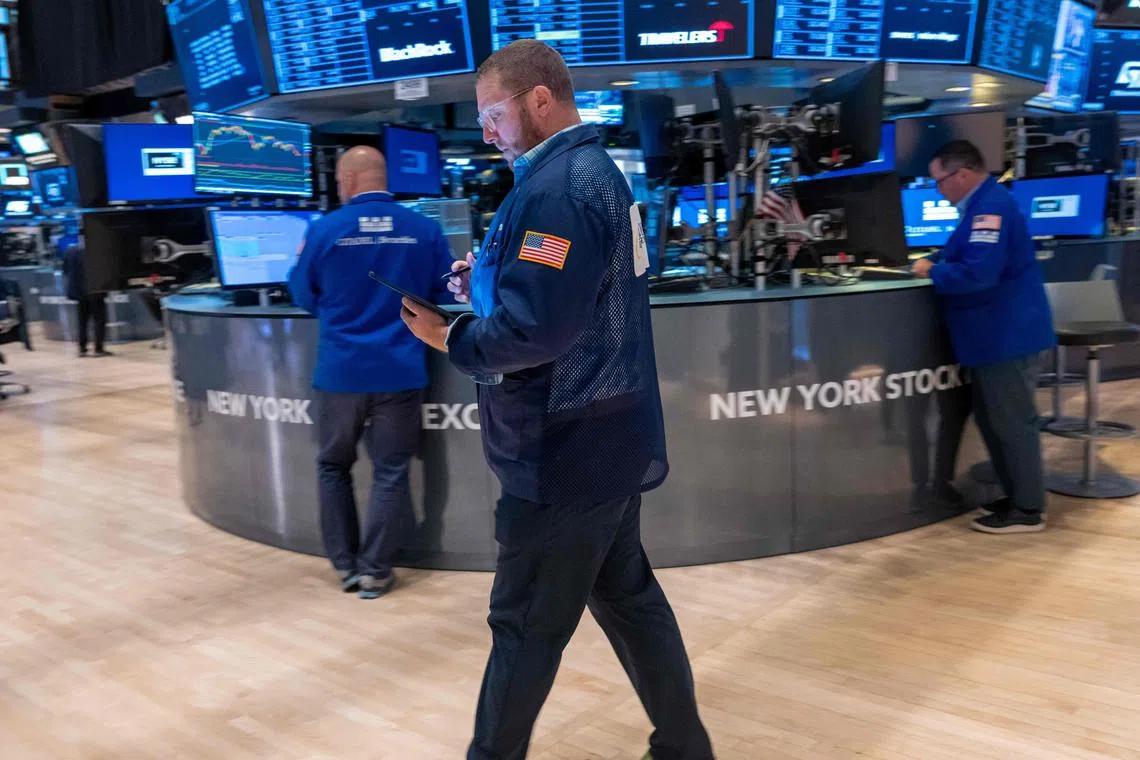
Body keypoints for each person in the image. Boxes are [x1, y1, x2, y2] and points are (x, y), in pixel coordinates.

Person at [401, 40, 715, 760]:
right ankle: (685, 747)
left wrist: (452, 338)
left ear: (539, 100)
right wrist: (482, 281)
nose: (485, 130)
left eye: (493, 114)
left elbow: (536, 329)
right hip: (605, 438)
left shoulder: (557, 190)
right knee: (630, 602)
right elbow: (565, 296)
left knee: (523, 628)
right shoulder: (586, 174)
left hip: (563, 450)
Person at [288, 146, 456, 599]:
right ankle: (376, 571)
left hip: (340, 372)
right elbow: (447, 290)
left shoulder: (324, 230)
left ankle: (344, 565)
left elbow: (303, 295)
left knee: (332, 466)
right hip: (401, 372)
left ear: (348, 180)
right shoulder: (424, 229)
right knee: (391, 470)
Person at [912, 140, 1056, 534]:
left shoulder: (990, 208)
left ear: (961, 174)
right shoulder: (984, 204)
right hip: (995, 336)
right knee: (996, 423)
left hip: (1004, 336)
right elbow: (970, 256)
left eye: (938, 182)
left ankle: (1027, 510)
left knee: (1012, 424)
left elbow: (978, 274)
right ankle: (1016, 498)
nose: (937, 190)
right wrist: (940, 260)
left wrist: (932, 272)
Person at [61, 235, 111, 358]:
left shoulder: (71, 251)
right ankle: (98, 348)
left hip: (79, 293)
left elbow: (66, 270)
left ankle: (82, 348)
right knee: (99, 320)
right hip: (96, 291)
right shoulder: (99, 252)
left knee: (82, 321)